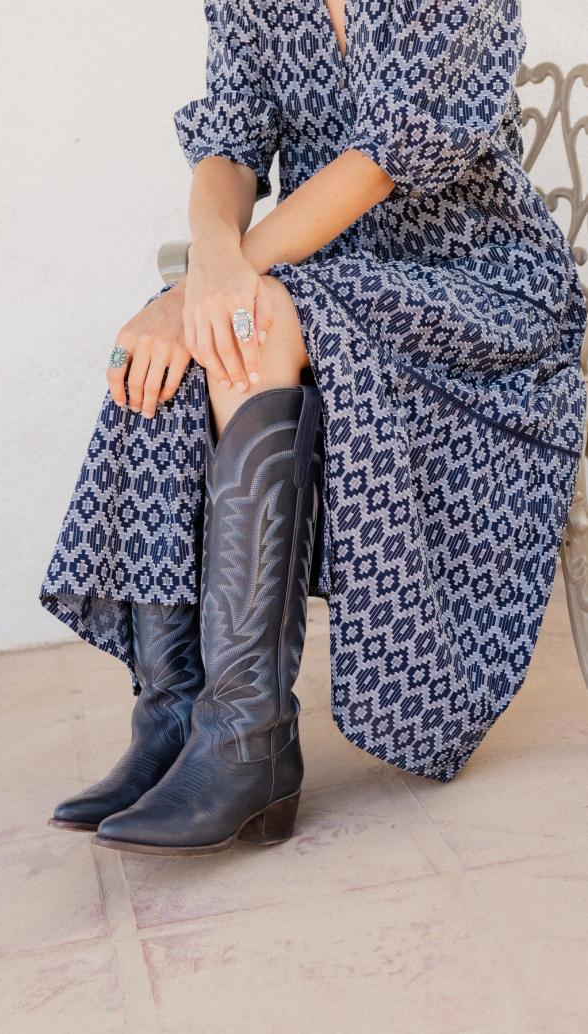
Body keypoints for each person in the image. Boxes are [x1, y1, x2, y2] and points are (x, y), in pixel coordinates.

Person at [40, 0, 587, 855]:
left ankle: (244, 735)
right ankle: (181, 713)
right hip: (331, 271)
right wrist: (210, 256)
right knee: (196, 340)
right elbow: (228, 141)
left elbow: (378, 165)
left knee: (234, 322)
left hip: (486, 288)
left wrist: (197, 293)